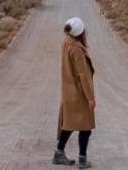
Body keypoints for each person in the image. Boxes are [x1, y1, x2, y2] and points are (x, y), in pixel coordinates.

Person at [53, 16, 95, 168]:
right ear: (80, 33)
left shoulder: (66, 42)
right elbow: (83, 75)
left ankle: (58, 153)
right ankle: (82, 160)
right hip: (79, 93)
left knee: (69, 124)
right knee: (86, 126)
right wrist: (90, 97)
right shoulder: (76, 49)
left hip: (69, 91)